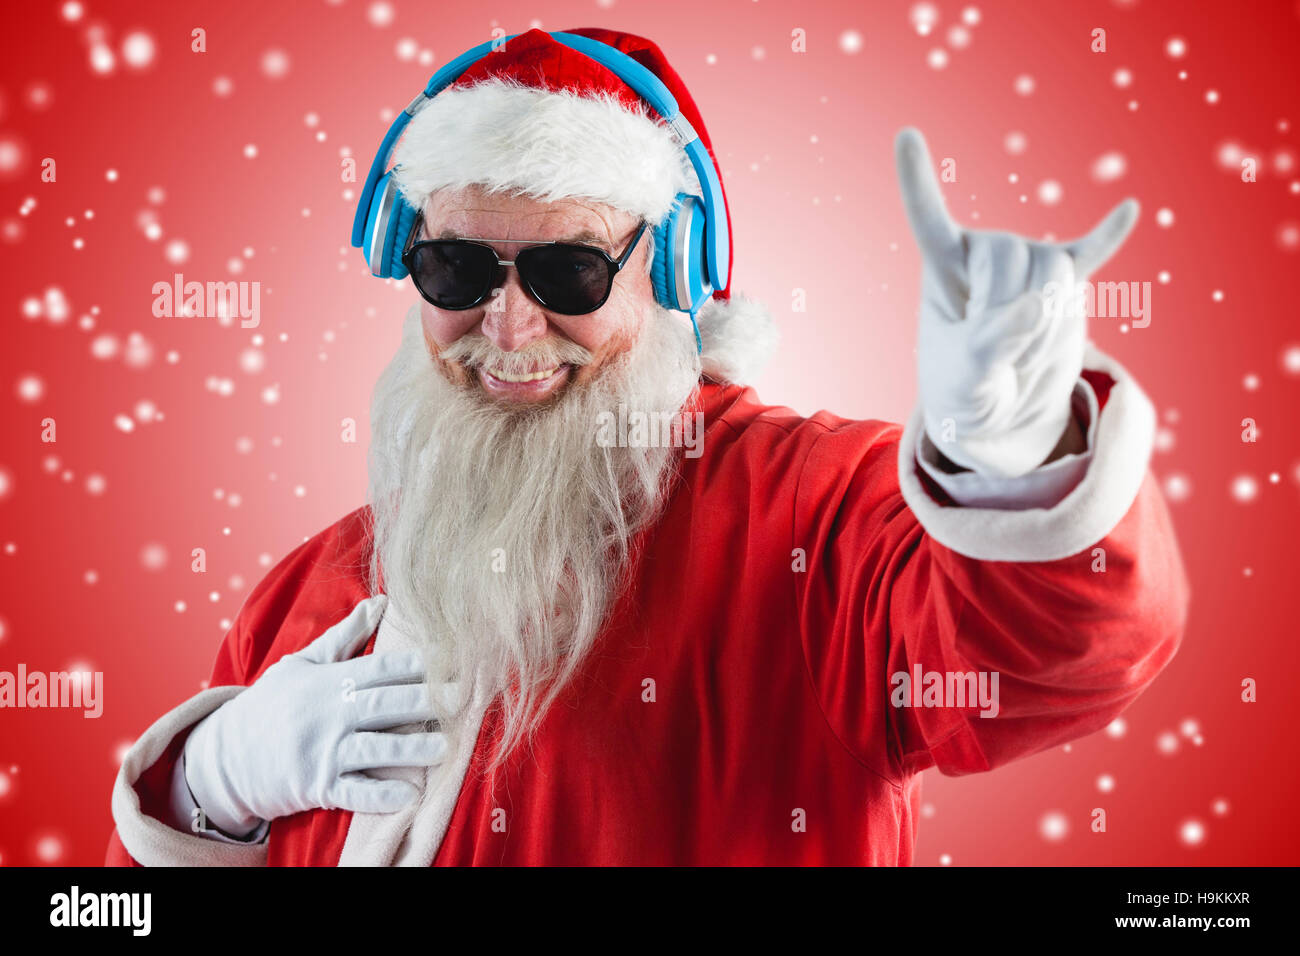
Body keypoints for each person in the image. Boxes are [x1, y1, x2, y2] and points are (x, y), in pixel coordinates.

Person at [106, 27, 1188, 866]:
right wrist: (205, 784)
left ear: (671, 276)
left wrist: (1007, 445)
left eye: (570, 273)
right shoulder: (309, 593)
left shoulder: (810, 517)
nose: (510, 327)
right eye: (457, 272)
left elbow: (1045, 650)